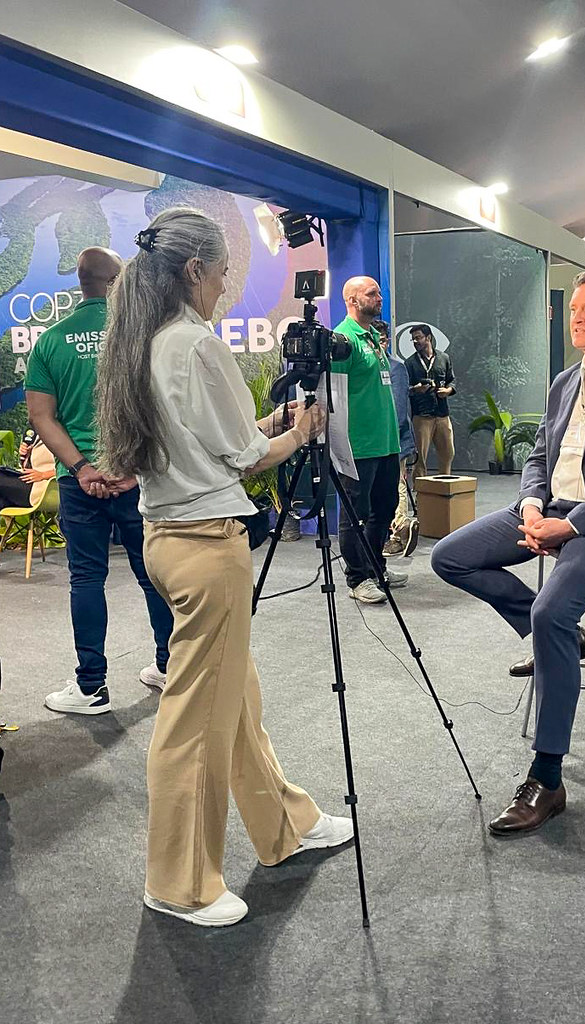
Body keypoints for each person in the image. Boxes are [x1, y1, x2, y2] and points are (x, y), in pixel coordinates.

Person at [96, 207, 353, 927]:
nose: (225, 286)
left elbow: (214, 441)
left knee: (234, 702)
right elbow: (245, 457)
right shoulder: (195, 345)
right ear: (194, 271)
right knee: (195, 725)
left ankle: (283, 826)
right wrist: (297, 432)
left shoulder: (146, 343)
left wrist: (269, 428)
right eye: (223, 273)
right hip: (207, 546)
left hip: (173, 538)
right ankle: (179, 883)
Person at [431, 270, 585, 836]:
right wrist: (529, 508)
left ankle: (548, 777)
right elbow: (538, 457)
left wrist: (568, 529)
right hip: (551, 509)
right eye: (573, 309)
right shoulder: (565, 381)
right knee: (450, 556)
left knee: (551, 611)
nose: (577, 318)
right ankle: (565, 638)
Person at [25, 247, 174, 714]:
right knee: (153, 576)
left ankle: (91, 687)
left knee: (86, 579)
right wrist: (129, 467)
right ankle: (170, 668)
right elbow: (162, 407)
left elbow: (41, 418)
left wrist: (83, 468)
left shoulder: (51, 341)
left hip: (80, 481)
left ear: (82, 282)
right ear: (116, 280)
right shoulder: (144, 336)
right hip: (137, 480)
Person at [331, 277, 407, 603]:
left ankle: (376, 567)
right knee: (354, 513)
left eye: (379, 292)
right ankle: (356, 578)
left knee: (385, 509)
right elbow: (331, 393)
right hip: (357, 445)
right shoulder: (343, 339)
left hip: (386, 443)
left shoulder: (375, 337)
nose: (379, 298)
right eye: (372, 293)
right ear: (352, 300)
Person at [373, 320, 419, 558]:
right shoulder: (370, 367)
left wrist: (392, 441)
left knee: (398, 486)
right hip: (377, 442)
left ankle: (400, 532)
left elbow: (400, 411)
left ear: (387, 340)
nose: (378, 343)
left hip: (396, 441)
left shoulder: (396, 368)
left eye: (381, 339)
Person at [405, 324, 456, 480]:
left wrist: (448, 391)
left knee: (448, 453)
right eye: (413, 339)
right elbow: (404, 388)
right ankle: (420, 498)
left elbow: (451, 381)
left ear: (429, 338)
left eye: (418, 337)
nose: (415, 341)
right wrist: (416, 389)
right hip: (421, 416)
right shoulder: (410, 363)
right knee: (419, 459)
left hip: (442, 414)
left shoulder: (443, 358)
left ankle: (445, 491)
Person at [0, 428, 55, 510]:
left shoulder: (66, 434)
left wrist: (44, 475)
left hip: (44, 488)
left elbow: (75, 468)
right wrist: (26, 456)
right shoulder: (37, 432)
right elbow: (27, 467)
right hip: (29, 480)